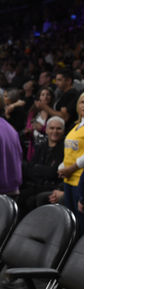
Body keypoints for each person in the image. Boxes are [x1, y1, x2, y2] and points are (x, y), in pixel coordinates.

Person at [16, 116, 65, 220]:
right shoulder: (42, 146)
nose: (55, 131)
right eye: (52, 128)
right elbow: (30, 168)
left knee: (30, 201)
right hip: (37, 184)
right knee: (19, 197)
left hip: (52, 187)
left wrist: (38, 168)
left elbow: (53, 173)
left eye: (58, 128)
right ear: (46, 130)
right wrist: (44, 170)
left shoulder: (65, 148)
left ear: (63, 131)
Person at [58, 92, 84, 231]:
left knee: (81, 223)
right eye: (82, 102)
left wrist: (72, 167)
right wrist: (62, 167)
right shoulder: (76, 126)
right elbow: (70, 151)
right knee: (72, 222)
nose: (84, 106)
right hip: (68, 178)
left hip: (80, 179)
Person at [23, 87, 55, 161]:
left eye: (48, 95)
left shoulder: (54, 113)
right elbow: (29, 128)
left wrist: (42, 129)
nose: (45, 97)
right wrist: (28, 132)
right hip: (34, 146)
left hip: (48, 146)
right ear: (39, 97)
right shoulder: (33, 112)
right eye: (43, 94)